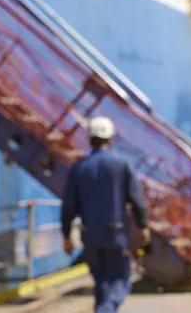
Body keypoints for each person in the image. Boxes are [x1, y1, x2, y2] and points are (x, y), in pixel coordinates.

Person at [61, 116, 150, 312]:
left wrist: (66, 235)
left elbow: (69, 206)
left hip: (90, 236)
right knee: (119, 281)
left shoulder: (79, 168)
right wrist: (142, 225)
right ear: (110, 139)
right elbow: (136, 199)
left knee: (101, 283)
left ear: (89, 139)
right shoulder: (121, 165)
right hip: (115, 234)